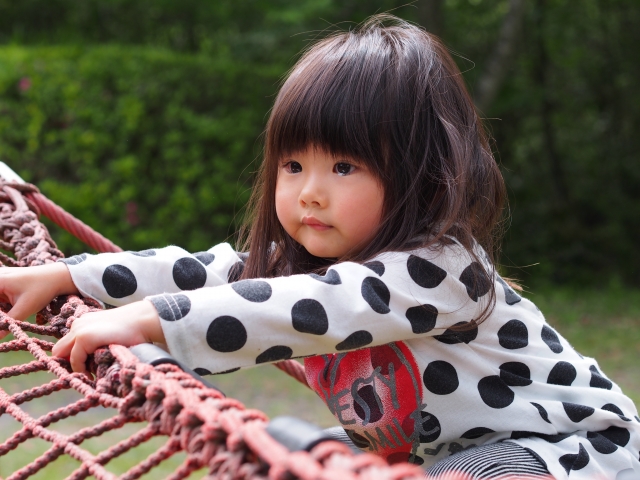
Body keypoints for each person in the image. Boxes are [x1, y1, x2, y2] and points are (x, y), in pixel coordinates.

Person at [1, 15, 638, 480]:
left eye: (343, 168)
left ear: (422, 171)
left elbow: (309, 308)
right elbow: (204, 272)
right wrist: (68, 277)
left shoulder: (440, 270)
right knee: (290, 461)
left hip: (568, 448)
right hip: (437, 453)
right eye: (293, 166)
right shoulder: (309, 265)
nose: (310, 193)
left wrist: (150, 323)